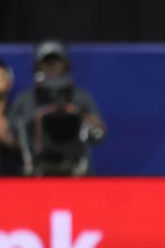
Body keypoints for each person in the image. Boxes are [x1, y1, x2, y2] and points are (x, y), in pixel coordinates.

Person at [8, 40, 106, 176]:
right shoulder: (25, 99)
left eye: (56, 62)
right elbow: (9, 137)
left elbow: (99, 135)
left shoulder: (81, 97)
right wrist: (35, 122)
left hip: (76, 171)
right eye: (47, 63)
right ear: (38, 65)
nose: (52, 67)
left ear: (65, 64)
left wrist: (78, 116)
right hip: (36, 173)